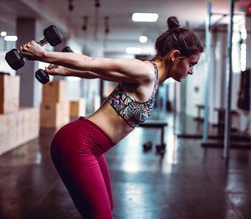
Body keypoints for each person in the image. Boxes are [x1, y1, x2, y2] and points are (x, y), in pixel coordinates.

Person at [20, 16, 203, 219]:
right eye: (191, 63)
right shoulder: (146, 71)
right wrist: (43, 54)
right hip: (80, 144)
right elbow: (93, 62)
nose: (192, 71)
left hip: (88, 145)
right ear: (175, 55)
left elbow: (97, 72)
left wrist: (67, 70)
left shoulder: (148, 78)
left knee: (106, 209)